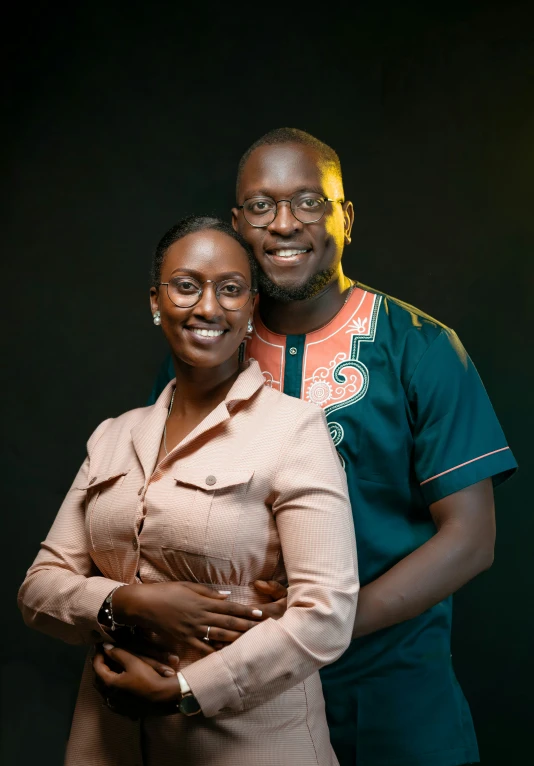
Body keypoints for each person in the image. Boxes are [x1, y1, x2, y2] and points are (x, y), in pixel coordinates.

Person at [150, 128, 518, 766]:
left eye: (308, 202)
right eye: (262, 207)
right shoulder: (208, 355)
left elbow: (470, 539)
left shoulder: (422, 348)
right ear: (239, 224)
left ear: (345, 217)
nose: (285, 223)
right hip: (241, 708)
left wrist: (316, 632)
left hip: (394, 703)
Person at [18, 216, 359, 766]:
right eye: (185, 286)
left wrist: (184, 692)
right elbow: (39, 589)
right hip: (110, 742)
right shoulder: (112, 436)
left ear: (251, 309)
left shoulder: (294, 430)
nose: (207, 307)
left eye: (229, 290)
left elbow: (327, 615)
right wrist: (127, 602)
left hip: (253, 745)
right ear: (156, 301)